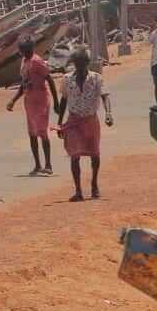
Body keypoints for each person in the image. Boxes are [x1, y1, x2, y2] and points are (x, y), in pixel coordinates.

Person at [56, 48, 113, 201]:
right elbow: (64, 100)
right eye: (77, 66)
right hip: (74, 121)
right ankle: (78, 190)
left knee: (94, 154)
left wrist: (108, 114)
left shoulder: (96, 78)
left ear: (87, 64)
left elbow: (105, 96)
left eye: (82, 66)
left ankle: (94, 184)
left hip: (90, 120)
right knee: (74, 155)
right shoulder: (67, 79)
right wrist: (60, 123)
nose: (79, 70)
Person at [5, 35, 59, 176]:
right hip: (29, 102)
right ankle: (37, 165)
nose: (24, 52)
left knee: (42, 132)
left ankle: (48, 164)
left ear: (32, 48)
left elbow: (49, 80)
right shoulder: (23, 61)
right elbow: (24, 84)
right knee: (32, 134)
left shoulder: (37, 61)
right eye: (22, 50)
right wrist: (13, 100)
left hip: (41, 101)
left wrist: (56, 102)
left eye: (26, 50)